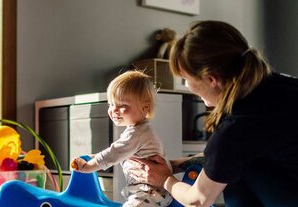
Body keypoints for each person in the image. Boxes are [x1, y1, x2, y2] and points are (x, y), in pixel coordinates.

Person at [130, 20, 298, 207]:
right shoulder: (281, 85)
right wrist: (174, 164)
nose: (186, 86)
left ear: (212, 80)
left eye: (185, 79)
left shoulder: (237, 128)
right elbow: (226, 156)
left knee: (235, 171)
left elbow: (198, 199)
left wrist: (164, 179)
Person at [70, 70, 173, 207]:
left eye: (122, 105)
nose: (113, 110)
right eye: (110, 104)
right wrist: (94, 157)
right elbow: (122, 155)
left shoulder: (137, 134)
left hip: (150, 193)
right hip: (148, 192)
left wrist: (88, 167)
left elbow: (114, 154)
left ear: (145, 108)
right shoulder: (137, 131)